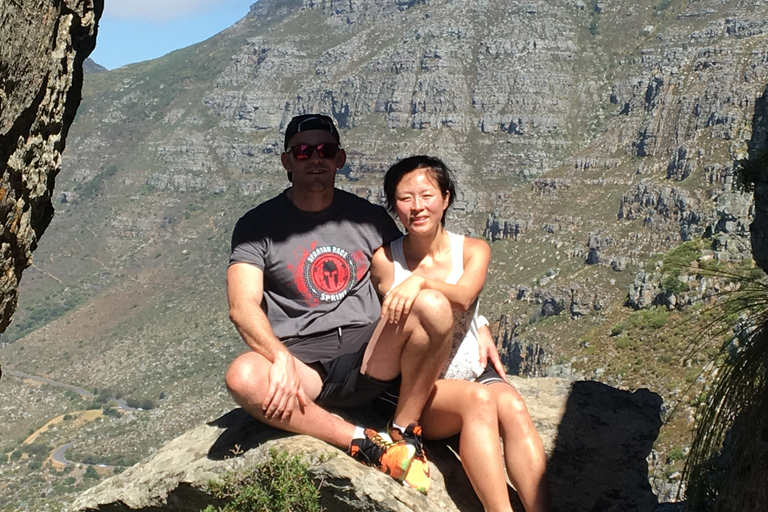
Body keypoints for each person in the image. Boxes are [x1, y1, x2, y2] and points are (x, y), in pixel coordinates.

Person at [225, 115, 453, 493]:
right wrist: (279, 358)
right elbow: (242, 305)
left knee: (432, 305)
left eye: (325, 151)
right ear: (287, 161)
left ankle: (404, 432)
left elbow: (423, 268)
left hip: (370, 354)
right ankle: (361, 442)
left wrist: (478, 325)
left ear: (340, 158)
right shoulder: (257, 225)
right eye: (303, 151)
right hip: (304, 366)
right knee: (243, 377)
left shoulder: (367, 218)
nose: (315, 158)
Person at [370, 155, 549, 512]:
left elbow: (466, 297)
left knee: (513, 406)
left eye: (426, 195)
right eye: (405, 199)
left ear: (446, 198)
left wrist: (423, 283)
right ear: (394, 207)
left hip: (470, 369)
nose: (417, 207)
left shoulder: (473, 249)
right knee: (479, 402)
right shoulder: (385, 262)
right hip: (421, 387)